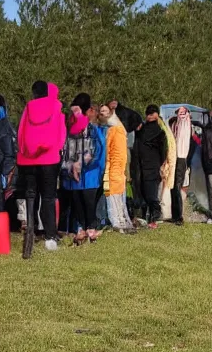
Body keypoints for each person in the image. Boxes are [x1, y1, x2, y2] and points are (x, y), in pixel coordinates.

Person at [17, 81, 66, 257]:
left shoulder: (28, 108)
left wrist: (23, 152)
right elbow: (61, 134)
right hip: (49, 159)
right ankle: (50, 236)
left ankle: (31, 231)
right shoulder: (56, 107)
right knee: (48, 197)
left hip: (28, 160)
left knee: (31, 196)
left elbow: (21, 131)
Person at [61, 94, 104, 244]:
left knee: (80, 203)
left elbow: (65, 152)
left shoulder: (71, 129)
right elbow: (98, 151)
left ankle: (83, 229)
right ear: (89, 110)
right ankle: (87, 229)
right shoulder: (91, 130)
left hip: (81, 174)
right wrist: (79, 166)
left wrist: (72, 167)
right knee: (87, 203)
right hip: (88, 174)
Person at [98, 105, 135, 234]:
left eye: (106, 111)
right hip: (117, 169)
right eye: (101, 111)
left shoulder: (114, 130)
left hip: (114, 169)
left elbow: (109, 152)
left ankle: (117, 221)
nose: (104, 114)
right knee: (117, 196)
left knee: (114, 195)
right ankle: (119, 220)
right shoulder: (118, 131)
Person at [133, 105, 168, 229]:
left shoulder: (145, 130)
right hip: (148, 166)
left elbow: (162, 151)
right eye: (150, 113)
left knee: (146, 192)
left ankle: (150, 216)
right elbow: (163, 152)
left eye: (151, 113)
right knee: (149, 192)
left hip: (145, 166)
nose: (150, 115)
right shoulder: (158, 131)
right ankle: (151, 216)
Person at [169, 107, 196, 225]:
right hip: (174, 157)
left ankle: (179, 216)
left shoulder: (186, 125)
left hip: (181, 158)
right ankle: (175, 215)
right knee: (173, 187)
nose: (181, 116)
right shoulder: (174, 124)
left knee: (177, 186)